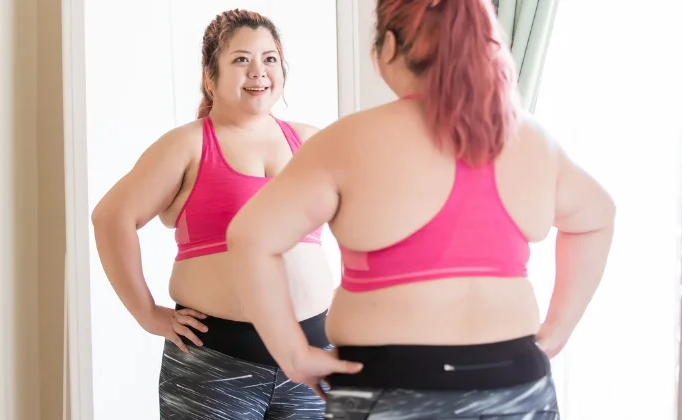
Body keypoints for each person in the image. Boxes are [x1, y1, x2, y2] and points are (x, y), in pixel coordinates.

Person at [226, 0, 616, 419]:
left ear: (389, 46)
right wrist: (558, 328)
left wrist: (293, 355)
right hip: (517, 383)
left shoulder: (350, 141)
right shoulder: (529, 136)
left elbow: (251, 237)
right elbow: (596, 216)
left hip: (391, 387)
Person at [91, 8, 335, 420]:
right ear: (210, 76)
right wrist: (147, 313)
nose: (258, 71)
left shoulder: (311, 142)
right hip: (215, 369)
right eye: (241, 59)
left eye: (269, 58)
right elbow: (111, 217)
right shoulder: (186, 145)